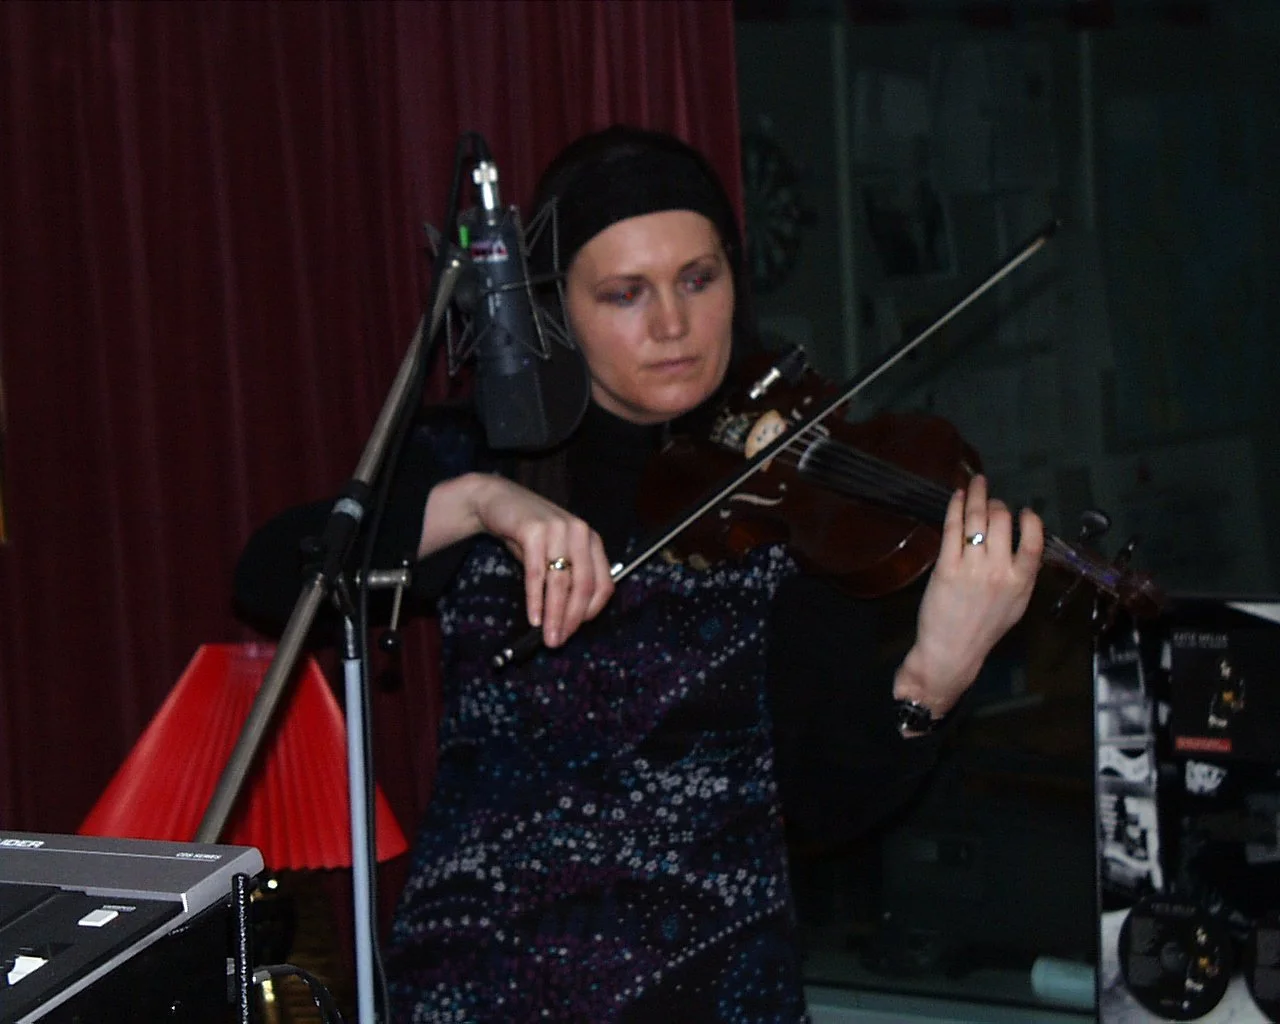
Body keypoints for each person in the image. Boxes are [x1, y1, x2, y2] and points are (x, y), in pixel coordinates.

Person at [236, 125, 1044, 1023]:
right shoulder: (478, 456)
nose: (673, 325)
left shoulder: (781, 500)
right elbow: (271, 576)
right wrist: (477, 504)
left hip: (714, 996)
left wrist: (938, 672)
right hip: (479, 990)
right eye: (626, 294)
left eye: (699, 280)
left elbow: (829, 811)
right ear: (555, 308)